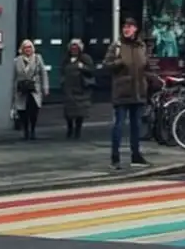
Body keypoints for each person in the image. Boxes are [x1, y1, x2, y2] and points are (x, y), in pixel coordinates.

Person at [104, 16, 150, 170]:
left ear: (135, 29)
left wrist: (151, 80)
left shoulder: (141, 46)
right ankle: (115, 158)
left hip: (138, 92)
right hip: (122, 92)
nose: (126, 29)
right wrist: (118, 62)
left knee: (136, 126)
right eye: (125, 27)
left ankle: (136, 156)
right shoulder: (117, 46)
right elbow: (106, 64)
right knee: (118, 125)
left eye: (129, 27)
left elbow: (145, 66)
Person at [11, 39, 49, 141]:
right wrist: (14, 91)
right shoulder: (17, 61)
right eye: (25, 48)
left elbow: (43, 73)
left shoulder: (38, 58)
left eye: (29, 47)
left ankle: (32, 130)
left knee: (33, 111)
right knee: (22, 111)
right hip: (22, 90)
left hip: (34, 89)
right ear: (22, 49)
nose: (28, 49)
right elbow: (14, 77)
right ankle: (26, 130)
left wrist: (45, 87)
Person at [60, 38, 95, 139]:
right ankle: (70, 128)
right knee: (69, 111)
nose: (74, 50)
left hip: (81, 88)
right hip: (69, 88)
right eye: (72, 48)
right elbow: (62, 70)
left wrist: (82, 67)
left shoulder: (85, 58)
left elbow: (91, 71)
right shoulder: (66, 59)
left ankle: (78, 130)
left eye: (76, 48)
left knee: (80, 111)